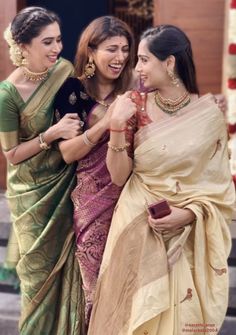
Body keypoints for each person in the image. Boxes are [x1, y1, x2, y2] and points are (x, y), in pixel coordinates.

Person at [88, 25, 235, 334]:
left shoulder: (208, 116)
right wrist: (115, 125)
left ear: (169, 63)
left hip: (187, 236)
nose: (137, 67)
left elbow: (219, 187)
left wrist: (190, 214)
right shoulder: (134, 107)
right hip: (136, 224)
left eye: (144, 60)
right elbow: (118, 176)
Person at [0, 7, 85, 334]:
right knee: (37, 287)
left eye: (59, 40)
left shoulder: (64, 70)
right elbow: (11, 154)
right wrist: (50, 135)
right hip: (32, 199)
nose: (56, 49)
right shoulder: (7, 94)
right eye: (47, 42)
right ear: (23, 46)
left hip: (67, 188)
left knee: (69, 281)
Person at [53, 15, 136, 326]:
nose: (121, 58)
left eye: (126, 49)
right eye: (112, 49)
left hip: (132, 195)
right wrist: (107, 122)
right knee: (95, 287)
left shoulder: (135, 90)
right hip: (91, 201)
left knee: (129, 285)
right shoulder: (72, 91)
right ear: (91, 51)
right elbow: (67, 152)